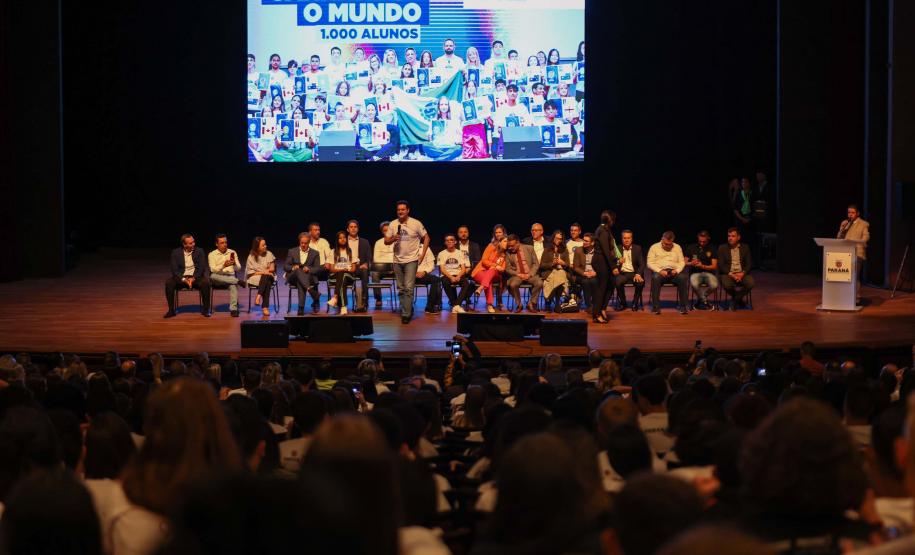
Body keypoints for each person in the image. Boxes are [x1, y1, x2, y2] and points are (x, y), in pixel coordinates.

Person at [384, 200, 430, 324]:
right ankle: (408, 308)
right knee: (401, 288)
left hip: (411, 260)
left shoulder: (416, 223)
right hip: (397, 260)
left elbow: (426, 238)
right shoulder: (393, 224)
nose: (400, 211)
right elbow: (386, 241)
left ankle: (406, 314)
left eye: (403, 209)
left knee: (409, 288)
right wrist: (393, 238)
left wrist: (422, 254)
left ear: (408, 210)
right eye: (398, 210)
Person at [164, 234, 211, 318]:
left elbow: (201, 268)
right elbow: (175, 270)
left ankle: (206, 309)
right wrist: (184, 279)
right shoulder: (175, 252)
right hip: (181, 277)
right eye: (190, 243)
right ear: (184, 244)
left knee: (206, 283)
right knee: (169, 283)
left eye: (193, 242)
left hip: (196, 277)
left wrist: (193, 278)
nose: (193, 244)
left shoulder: (200, 251)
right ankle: (171, 310)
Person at [647, 231, 688, 315]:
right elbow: (649, 263)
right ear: (662, 239)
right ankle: (656, 307)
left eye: (670, 244)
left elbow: (682, 262)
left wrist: (677, 271)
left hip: (674, 272)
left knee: (683, 277)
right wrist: (659, 271)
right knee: (655, 277)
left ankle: (683, 307)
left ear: (672, 241)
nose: (667, 246)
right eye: (665, 244)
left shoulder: (677, 247)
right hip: (660, 272)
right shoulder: (654, 247)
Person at [284, 232, 322, 315]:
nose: (303, 245)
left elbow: (318, 268)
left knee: (301, 281)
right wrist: (293, 267)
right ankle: (311, 292)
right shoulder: (292, 251)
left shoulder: (315, 253)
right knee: (298, 271)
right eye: (302, 243)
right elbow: (286, 266)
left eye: (305, 243)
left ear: (309, 242)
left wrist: (309, 269)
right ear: (299, 242)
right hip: (293, 278)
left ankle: (301, 308)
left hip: (308, 278)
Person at [837, 203, 870, 298]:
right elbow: (839, 238)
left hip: (858, 253)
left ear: (857, 213)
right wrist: (841, 228)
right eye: (849, 212)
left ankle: (856, 297)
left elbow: (866, 237)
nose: (850, 214)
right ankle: (845, 297)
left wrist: (858, 242)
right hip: (846, 253)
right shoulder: (845, 223)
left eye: (853, 212)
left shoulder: (863, 224)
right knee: (844, 275)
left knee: (854, 275)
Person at [718, 227, 754, 311]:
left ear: (738, 237)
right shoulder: (722, 248)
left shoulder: (745, 247)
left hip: (741, 273)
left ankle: (735, 300)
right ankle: (738, 299)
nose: (730, 238)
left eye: (733, 236)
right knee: (727, 284)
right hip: (728, 274)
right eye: (729, 236)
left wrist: (742, 274)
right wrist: (731, 274)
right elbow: (721, 265)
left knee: (751, 282)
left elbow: (749, 264)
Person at [505, 234, 543, 313]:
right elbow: (507, 268)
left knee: (539, 283)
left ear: (518, 243)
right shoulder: (508, 253)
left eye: (512, 246)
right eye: (509, 246)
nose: (510, 248)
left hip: (530, 274)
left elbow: (536, 264)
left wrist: (530, 274)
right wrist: (517, 274)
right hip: (517, 275)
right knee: (513, 284)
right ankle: (519, 304)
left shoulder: (529, 248)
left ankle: (532, 303)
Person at [206, 234, 242, 317]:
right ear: (216, 244)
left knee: (233, 285)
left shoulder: (232, 252)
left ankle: (233, 309)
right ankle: (237, 281)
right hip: (218, 279)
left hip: (230, 277)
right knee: (212, 276)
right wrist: (223, 265)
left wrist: (235, 264)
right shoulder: (212, 254)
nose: (225, 244)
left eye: (225, 242)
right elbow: (213, 270)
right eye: (222, 243)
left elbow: (239, 268)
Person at [592, 210, 618, 323]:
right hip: (601, 261)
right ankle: (596, 314)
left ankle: (602, 309)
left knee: (610, 285)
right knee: (601, 288)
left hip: (604, 261)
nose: (614, 221)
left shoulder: (606, 230)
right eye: (613, 219)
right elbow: (606, 251)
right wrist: (613, 267)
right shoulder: (602, 231)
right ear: (609, 220)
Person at [472, 236, 508, 313]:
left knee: (491, 271)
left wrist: (500, 268)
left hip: (496, 274)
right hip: (481, 271)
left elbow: (504, 267)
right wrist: (495, 265)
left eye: (508, 242)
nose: (507, 243)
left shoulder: (507, 254)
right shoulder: (491, 247)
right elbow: (484, 260)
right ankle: (489, 304)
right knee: (488, 280)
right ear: (500, 242)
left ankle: (481, 288)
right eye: (505, 241)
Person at [684, 230, 719, 310]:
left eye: (704, 241)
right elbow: (684, 262)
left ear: (708, 239)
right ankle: (705, 301)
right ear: (698, 238)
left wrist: (702, 266)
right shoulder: (691, 247)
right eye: (700, 241)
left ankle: (701, 299)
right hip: (695, 273)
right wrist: (691, 263)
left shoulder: (712, 248)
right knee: (694, 284)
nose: (702, 243)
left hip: (709, 273)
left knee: (714, 285)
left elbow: (714, 266)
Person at [539, 230, 572, 311]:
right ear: (553, 238)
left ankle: (549, 300)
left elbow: (568, 265)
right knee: (561, 278)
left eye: (560, 239)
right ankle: (557, 303)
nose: (558, 240)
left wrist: (563, 263)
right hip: (549, 272)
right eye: (556, 238)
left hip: (561, 271)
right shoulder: (547, 249)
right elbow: (542, 265)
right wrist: (552, 264)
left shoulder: (564, 250)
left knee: (560, 273)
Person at [438, 233, 471, 313]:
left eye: (451, 240)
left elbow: (463, 268)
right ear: (445, 243)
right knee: (445, 282)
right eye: (447, 240)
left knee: (466, 283)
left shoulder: (460, 253)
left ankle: (456, 305)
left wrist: (458, 276)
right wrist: (451, 277)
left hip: (458, 274)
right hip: (447, 275)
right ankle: (456, 305)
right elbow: (442, 269)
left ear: (455, 242)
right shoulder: (441, 253)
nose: (449, 242)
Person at [344, 220, 373, 312]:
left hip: (360, 267)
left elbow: (369, 257)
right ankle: (342, 303)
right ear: (347, 229)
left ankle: (364, 301)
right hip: (347, 267)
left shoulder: (365, 242)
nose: (353, 229)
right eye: (351, 227)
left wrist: (365, 264)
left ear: (358, 229)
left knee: (364, 271)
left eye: (355, 227)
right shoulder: (343, 241)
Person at [613, 229, 645, 312]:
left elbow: (642, 264)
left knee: (640, 282)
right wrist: (617, 263)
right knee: (617, 281)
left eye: (628, 238)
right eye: (624, 238)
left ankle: (635, 302)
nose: (626, 240)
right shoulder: (617, 249)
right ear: (622, 239)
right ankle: (623, 303)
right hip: (622, 274)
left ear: (632, 239)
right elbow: (612, 263)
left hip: (634, 273)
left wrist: (638, 274)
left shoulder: (637, 248)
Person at [245, 236, 277, 316]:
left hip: (269, 276)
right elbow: (250, 273)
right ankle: (265, 307)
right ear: (257, 247)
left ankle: (258, 297)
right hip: (255, 277)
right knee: (267, 280)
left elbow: (272, 269)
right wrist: (264, 272)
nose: (265, 246)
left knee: (267, 277)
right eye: (263, 245)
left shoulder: (269, 254)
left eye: (265, 244)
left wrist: (265, 272)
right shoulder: (251, 257)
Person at [327, 231, 356, 315]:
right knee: (342, 279)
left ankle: (335, 297)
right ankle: (343, 307)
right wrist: (341, 270)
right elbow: (331, 269)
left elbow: (353, 269)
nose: (342, 239)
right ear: (337, 240)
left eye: (344, 237)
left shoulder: (350, 251)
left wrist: (345, 270)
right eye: (340, 238)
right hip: (335, 278)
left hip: (349, 276)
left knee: (343, 274)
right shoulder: (333, 252)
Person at [573, 233, 599, 308]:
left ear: (592, 243)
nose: (584, 242)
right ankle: (588, 306)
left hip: (594, 274)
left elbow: (601, 266)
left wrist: (595, 273)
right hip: (582, 275)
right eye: (584, 240)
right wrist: (584, 273)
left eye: (586, 241)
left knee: (594, 281)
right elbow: (575, 267)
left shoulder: (598, 252)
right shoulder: (578, 250)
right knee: (585, 282)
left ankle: (595, 303)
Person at [372, 221, 394, 309]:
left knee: (404, 271)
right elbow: (376, 259)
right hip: (382, 270)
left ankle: (403, 298)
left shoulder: (397, 241)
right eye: (385, 230)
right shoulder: (378, 243)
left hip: (396, 269)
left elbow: (399, 257)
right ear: (382, 232)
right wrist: (389, 262)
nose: (387, 232)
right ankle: (378, 298)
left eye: (388, 230)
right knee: (374, 274)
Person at [415, 247, 442, 314]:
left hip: (423, 274)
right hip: (410, 275)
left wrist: (424, 272)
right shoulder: (406, 246)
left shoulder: (426, 248)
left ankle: (430, 307)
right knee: (403, 280)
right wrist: (413, 273)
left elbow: (432, 265)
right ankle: (406, 307)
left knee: (436, 280)